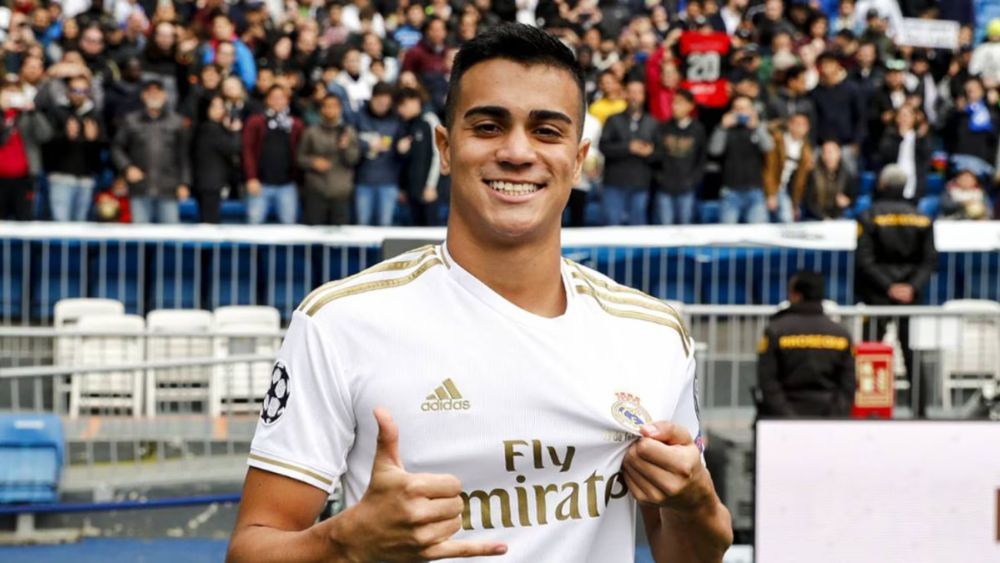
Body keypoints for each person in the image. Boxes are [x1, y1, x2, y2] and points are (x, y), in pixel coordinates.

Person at [228, 24, 732, 563]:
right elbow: (251, 549)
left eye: (546, 131)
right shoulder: (340, 322)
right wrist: (343, 543)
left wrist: (695, 501)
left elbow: (692, 555)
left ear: (578, 158)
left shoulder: (652, 334)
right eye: (489, 126)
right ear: (445, 148)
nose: (516, 152)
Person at [855, 164, 938, 417]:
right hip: (909, 298)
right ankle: (920, 411)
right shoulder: (923, 218)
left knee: (871, 351)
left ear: (881, 185)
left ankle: (869, 409)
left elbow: (864, 260)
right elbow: (929, 261)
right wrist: (911, 287)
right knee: (912, 352)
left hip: (877, 295)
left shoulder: (868, 216)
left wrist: (889, 286)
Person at [756, 271, 856, 418]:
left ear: (796, 295)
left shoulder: (776, 330)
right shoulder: (841, 334)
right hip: (829, 416)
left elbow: (767, 380)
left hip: (783, 418)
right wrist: (834, 416)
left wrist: (787, 417)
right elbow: (849, 383)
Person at [111, 78, 190, 224]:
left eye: (157, 92)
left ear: (164, 95)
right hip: (140, 188)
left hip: (168, 188)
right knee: (140, 234)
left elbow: (184, 155)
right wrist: (127, 167)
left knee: (170, 234)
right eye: (149, 92)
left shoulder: (176, 122)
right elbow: (117, 147)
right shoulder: (131, 120)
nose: (154, 96)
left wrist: (184, 183)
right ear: (143, 96)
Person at [44, 74, 104, 222]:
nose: (78, 94)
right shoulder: (56, 112)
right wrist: (66, 137)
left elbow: (104, 145)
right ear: (67, 91)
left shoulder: (95, 115)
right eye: (75, 90)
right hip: (61, 176)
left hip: (86, 178)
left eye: (83, 91)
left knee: (81, 225)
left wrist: (93, 140)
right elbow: (46, 143)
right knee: (61, 224)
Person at [599, 78, 658, 226]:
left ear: (644, 96)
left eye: (638, 92)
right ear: (625, 94)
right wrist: (628, 147)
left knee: (638, 231)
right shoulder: (613, 120)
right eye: (631, 92)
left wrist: (649, 152)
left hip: (641, 184)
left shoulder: (653, 122)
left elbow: (660, 154)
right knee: (612, 228)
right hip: (614, 183)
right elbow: (603, 146)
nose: (634, 96)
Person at [242, 86, 304, 225]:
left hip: (287, 184)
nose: (277, 101)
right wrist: (251, 177)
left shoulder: (296, 124)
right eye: (274, 98)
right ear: (267, 100)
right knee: (254, 225)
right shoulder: (255, 121)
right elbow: (247, 150)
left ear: (287, 100)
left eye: (281, 98)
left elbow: (300, 152)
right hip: (260, 184)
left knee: (289, 226)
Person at [296, 95, 360, 226]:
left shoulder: (348, 132)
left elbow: (354, 160)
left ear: (340, 109)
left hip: (340, 193)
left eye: (334, 106)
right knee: (313, 234)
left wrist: (345, 148)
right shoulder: (311, 132)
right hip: (315, 192)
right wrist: (313, 162)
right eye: (326, 106)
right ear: (321, 109)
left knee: (339, 236)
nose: (330, 110)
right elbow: (300, 158)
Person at [710, 94, 774, 224]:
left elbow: (769, 147)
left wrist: (757, 127)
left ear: (752, 110)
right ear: (731, 111)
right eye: (737, 108)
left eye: (744, 108)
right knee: (727, 234)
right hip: (730, 191)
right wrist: (722, 127)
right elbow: (714, 150)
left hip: (755, 190)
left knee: (758, 233)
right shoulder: (725, 129)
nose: (740, 112)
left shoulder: (757, 128)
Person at [1, 75, 53, 220]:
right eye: (7, 90)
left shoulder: (27, 114)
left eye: (15, 90)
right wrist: (2, 112)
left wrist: (33, 112)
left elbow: (46, 135)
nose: (11, 94)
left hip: (24, 178)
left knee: (25, 222)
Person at [653, 89, 705, 225]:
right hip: (665, 187)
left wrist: (693, 180)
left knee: (685, 229)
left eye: (679, 103)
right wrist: (660, 178)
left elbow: (701, 159)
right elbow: (656, 155)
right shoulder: (663, 128)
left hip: (687, 188)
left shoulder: (698, 129)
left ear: (690, 105)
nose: (674, 106)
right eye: (673, 103)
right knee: (665, 228)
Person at [355, 81, 403, 226]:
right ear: (372, 98)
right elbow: (348, 141)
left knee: (385, 225)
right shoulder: (358, 117)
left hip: (388, 182)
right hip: (363, 180)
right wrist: (367, 145)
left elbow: (403, 150)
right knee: (362, 224)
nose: (383, 106)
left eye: (386, 104)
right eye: (379, 102)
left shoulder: (397, 120)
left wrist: (401, 149)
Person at [395, 87, 442, 226]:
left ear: (415, 101)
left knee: (430, 233)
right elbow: (405, 162)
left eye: (403, 105)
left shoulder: (430, 120)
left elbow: (439, 154)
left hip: (429, 191)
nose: (400, 110)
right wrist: (403, 188)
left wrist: (431, 186)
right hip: (411, 193)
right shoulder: (405, 125)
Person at [193, 96, 242, 224]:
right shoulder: (209, 128)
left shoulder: (213, 128)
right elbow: (232, 147)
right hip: (210, 185)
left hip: (211, 183)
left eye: (221, 107)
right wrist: (235, 131)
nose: (218, 110)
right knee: (209, 224)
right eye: (214, 107)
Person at [763, 112, 814, 223]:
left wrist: (795, 204)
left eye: (804, 125)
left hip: (785, 190)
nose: (800, 128)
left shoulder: (806, 151)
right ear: (790, 125)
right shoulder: (777, 141)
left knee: (788, 218)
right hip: (768, 187)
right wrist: (771, 194)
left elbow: (800, 181)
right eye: (797, 124)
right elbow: (768, 169)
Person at [878, 105, 931, 202]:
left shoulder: (920, 139)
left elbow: (926, 158)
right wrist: (900, 137)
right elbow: (886, 155)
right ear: (896, 118)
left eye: (907, 115)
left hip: (914, 181)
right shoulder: (889, 136)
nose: (904, 119)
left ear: (914, 118)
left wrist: (920, 137)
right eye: (901, 115)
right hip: (893, 182)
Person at [803, 140, 856, 220]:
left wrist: (847, 201)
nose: (828, 156)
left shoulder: (846, 174)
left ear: (838, 154)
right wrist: (823, 217)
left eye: (831, 152)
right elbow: (809, 201)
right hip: (816, 217)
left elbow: (853, 197)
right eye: (825, 152)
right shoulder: (813, 174)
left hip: (838, 216)